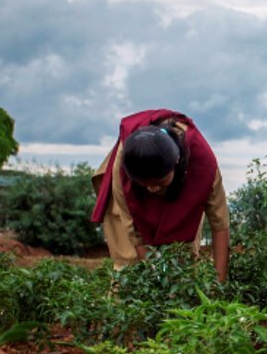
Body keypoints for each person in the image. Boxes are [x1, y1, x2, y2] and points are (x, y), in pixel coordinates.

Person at [91, 110, 230, 281]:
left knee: (182, 263)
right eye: (145, 184)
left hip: (183, 190)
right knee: (130, 266)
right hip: (135, 200)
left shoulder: (203, 165)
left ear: (176, 161)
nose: (153, 189)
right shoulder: (124, 169)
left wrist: (219, 287)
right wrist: (156, 280)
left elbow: (220, 225)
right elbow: (133, 232)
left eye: (160, 182)